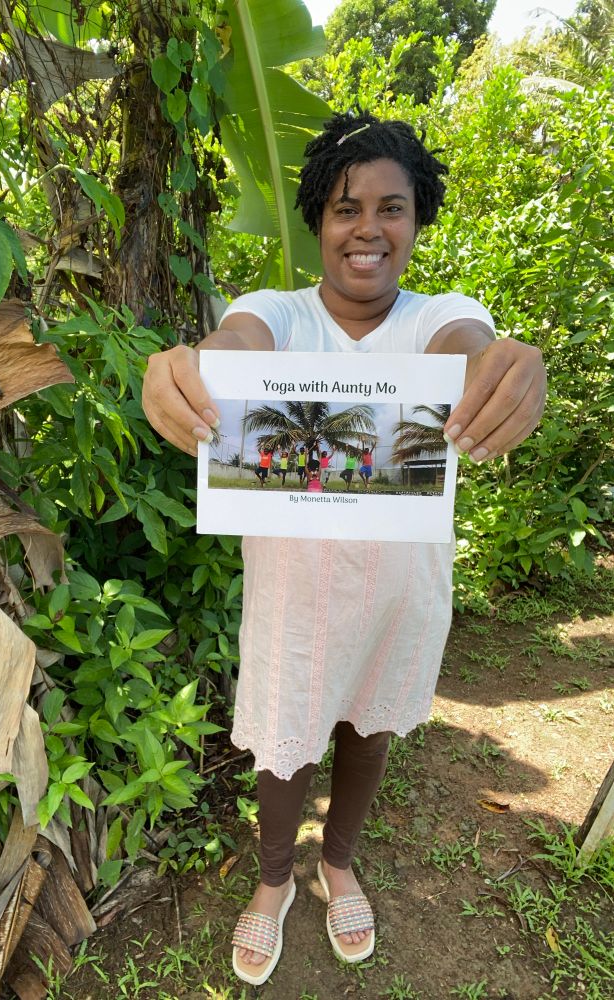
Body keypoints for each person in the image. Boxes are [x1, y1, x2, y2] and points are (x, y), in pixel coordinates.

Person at [141, 109, 546, 986]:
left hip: (403, 586)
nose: (367, 228)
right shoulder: (273, 312)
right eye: (343, 207)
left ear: (418, 218)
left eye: (391, 207)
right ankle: (276, 879)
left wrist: (505, 368)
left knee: (369, 728)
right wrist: (189, 370)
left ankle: (339, 864)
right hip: (293, 592)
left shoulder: (442, 315)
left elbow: (469, 351)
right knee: (286, 737)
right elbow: (233, 350)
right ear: (317, 222)